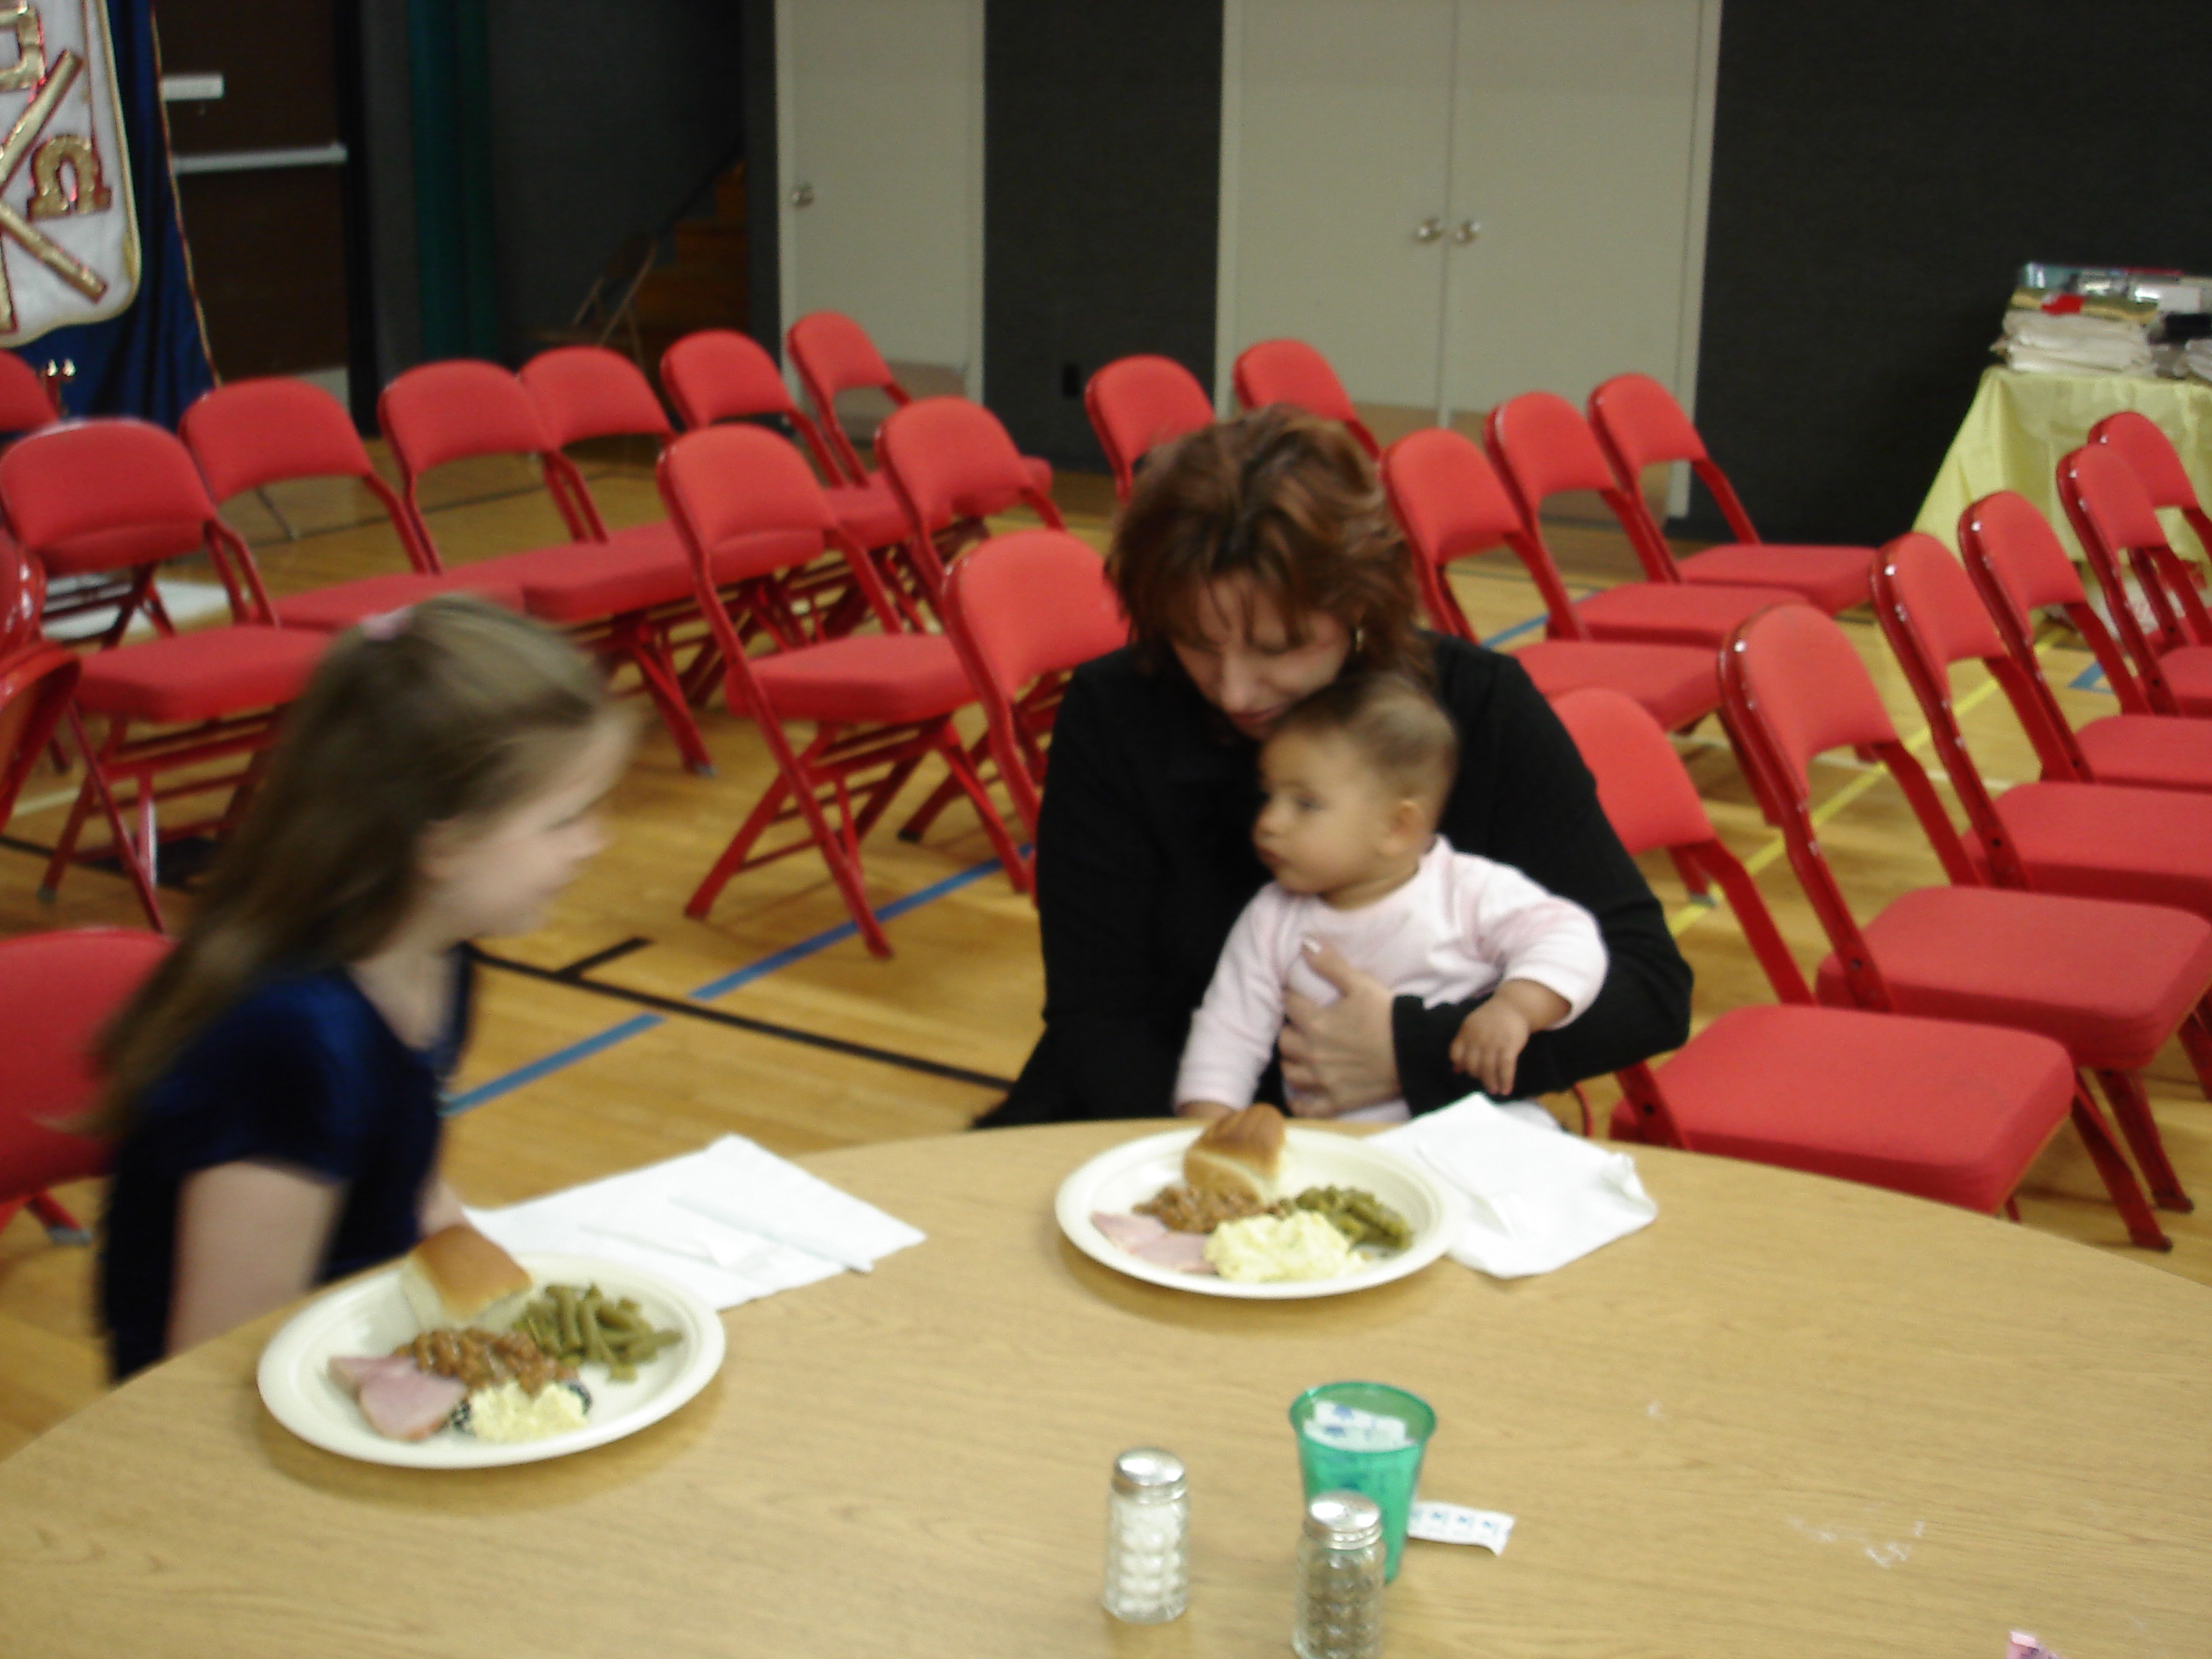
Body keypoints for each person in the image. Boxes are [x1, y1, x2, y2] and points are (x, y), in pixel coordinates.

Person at [978, 405, 1690, 1126]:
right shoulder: (1117, 709)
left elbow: (1648, 985)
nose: (1235, 690)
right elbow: (1097, 1012)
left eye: (1279, 647)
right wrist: (1218, 1149)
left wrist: (1415, 1052)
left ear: (1358, 605)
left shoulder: (1478, 708)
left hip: (1419, 1127)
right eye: (1195, 641)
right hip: (1157, 1113)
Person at [93, 597, 631, 1380]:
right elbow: (214, 1361)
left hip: (346, 1339)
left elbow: (410, 1184)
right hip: (244, 1396)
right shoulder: (289, 1042)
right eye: (563, 820)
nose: (594, 843)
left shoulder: (437, 958)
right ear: (440, 844)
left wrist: (530, 1320)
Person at [1173, 672, 1605, 1126]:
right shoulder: (1271, 916)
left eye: (1305, 803)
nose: (1269, 822)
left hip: (1482, 1130)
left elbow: (1568, 937)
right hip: (1346, 1145)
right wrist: (1206, 1124)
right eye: (1269, 795)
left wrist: (1515, 1007)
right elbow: (1229, 1033)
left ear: (1397, 826)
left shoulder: (1466, 891)